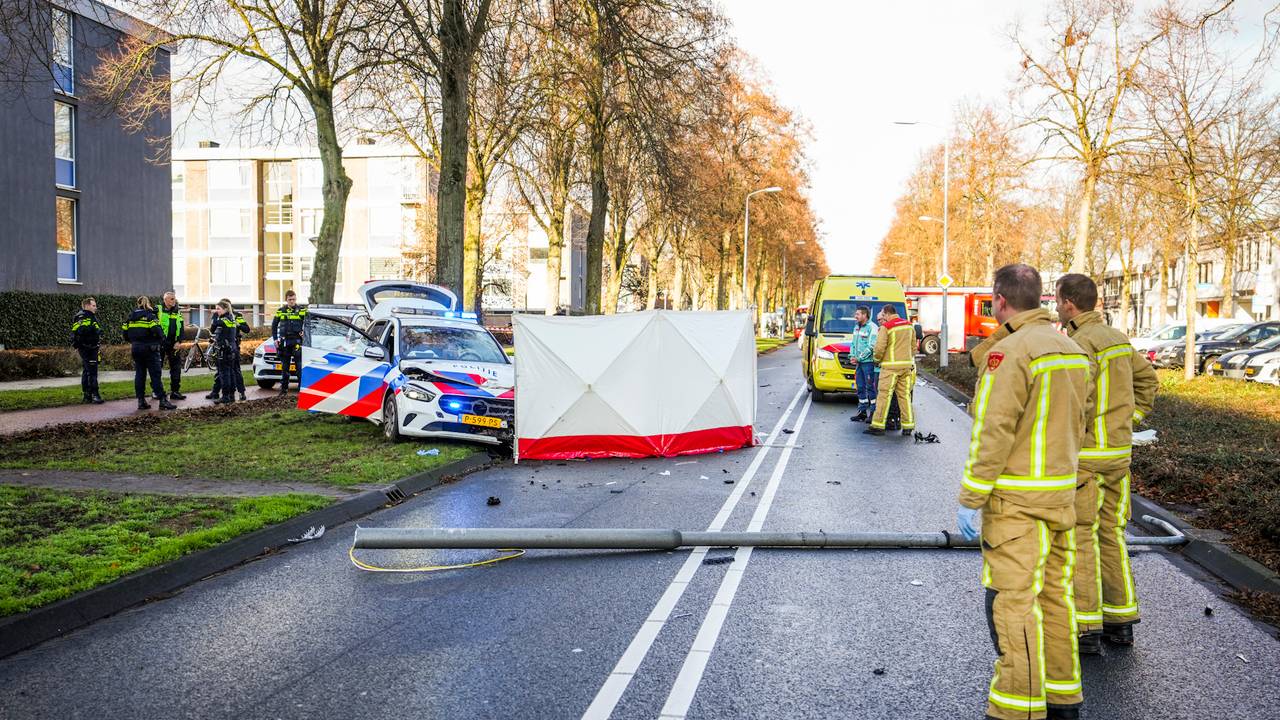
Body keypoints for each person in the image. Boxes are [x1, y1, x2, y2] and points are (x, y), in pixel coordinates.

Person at [956, 264, 1093, 720]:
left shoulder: (1010, 353)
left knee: (1013, 605)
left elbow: (993, 431)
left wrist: (972, 498)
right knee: (1055, 599)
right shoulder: (1071, 350)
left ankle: (1018, 709)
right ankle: (1063, 699)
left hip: (1015, 504)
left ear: (999, 300)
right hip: (1062, 498)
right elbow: (1081, 422)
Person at [1055, 274, 1158, 654]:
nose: (1055, 305)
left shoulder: (1080, 344)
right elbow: (1147, 381)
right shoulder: (1118, 339)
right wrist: (1129, 420)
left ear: (1069, 303)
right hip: (1118, 456)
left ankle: (1086, 627)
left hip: (1086, 459)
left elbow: (1076, 401)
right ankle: (1121, 620)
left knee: (1081, 537)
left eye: (1057, 300)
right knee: (1112, 534)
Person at [865, 304, 915, 437]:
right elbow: (913, 346)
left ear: (887, 314)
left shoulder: (886, 327)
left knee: (883, 396)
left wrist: (877, 359)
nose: (882, 317)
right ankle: (908, 426)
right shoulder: (909, 325)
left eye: (882, 314)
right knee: (904, 396)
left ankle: (878, 425)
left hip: (890, 368)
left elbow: (879, 348)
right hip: (906, 367)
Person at [122, 296, 176, 411]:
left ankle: (141, 401)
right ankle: (162, 400)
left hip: (136, 348)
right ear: (148, 303)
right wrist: (162, 341)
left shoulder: (130, 317)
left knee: (140, 375)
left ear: (138, 304)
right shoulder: (150, 316)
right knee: (155, 375)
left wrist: (135, 342)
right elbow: (158, 331)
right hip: (150, 349)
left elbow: (125, 334)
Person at [205, 298, 250, 401]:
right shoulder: (218, 315)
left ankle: (240, 393)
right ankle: (217, 392)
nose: (217, 310)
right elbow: (214, 332)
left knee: (233, 371)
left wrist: (238, 324)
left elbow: (246, 329)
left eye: (219, 308)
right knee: (222, 372)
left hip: (231, 346)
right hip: (226, 345)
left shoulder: (237, 316)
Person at [272, 290, 307, 394]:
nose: (292, 301)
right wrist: (275, 339)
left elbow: (310, 324)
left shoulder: (302, 310)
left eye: (293, 299)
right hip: (285, 342)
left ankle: (301, 390)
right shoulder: (280, 311)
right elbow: (274, 326)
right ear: (286, 300)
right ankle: (284, 390)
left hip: (297, 341)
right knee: (285, 367)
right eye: (290, 299)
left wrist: (305, 333)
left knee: (299, 367)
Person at [70, 296, 104, 404]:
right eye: (93, 305)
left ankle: (87, 395)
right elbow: (81, 330)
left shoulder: (84, 316)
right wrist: (95, 330)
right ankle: (95, 395)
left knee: (86, 371)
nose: (95, 308)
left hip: (87, 347)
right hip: (88, 347)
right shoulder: (84, 316)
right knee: (92, 372)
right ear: (87, 305)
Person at [849, 305, 878, 422]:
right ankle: (862, 412)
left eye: (858, 314)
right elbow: (853, 344)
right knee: (860, 387)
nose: (855, 316)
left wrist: (859, 358)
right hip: (859, 364)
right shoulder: (856, 327)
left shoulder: (872, 327)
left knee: (870, 387)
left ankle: (873, 412)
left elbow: (871, 346)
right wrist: (852, 356)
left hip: (868, 363)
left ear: (864, 315)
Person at [210, 301, 240, 405]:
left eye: (218, 309)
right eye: (216, 309)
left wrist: (214, 318)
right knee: (231, 373)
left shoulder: (221, 320)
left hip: (224, 350)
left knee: (224, 374)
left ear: (225, 309)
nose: (216, 311)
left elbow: (212, 330)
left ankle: (225, 396)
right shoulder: (232, 319)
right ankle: (231, 395)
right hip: (232, 349)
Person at [157, 290, 186, 400]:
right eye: (172, 299)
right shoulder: (158, 310)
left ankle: (175, 391)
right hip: (161, 344)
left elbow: (181, 328)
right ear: (165, 300)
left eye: (175, 298)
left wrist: (179, 341)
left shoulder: (177, 311)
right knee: (157, 369)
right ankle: (157, 391)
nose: (174, 301)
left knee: (176, 368)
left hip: (174, 344)